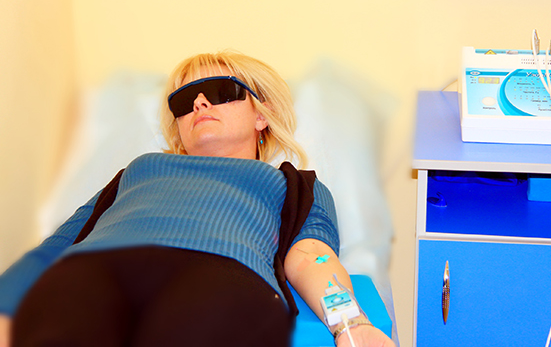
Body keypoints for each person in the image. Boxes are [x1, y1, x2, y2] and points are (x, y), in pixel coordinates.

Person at [0, 51, 395, 347]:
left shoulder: (293, 184)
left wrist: (350, 324)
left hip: (219, 274)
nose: (199, 104)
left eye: (221, 91)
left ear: (262, 115)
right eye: (184, 101)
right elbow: (52, 250)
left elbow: (311, 256)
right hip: (94, 272)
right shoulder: (137, 171)